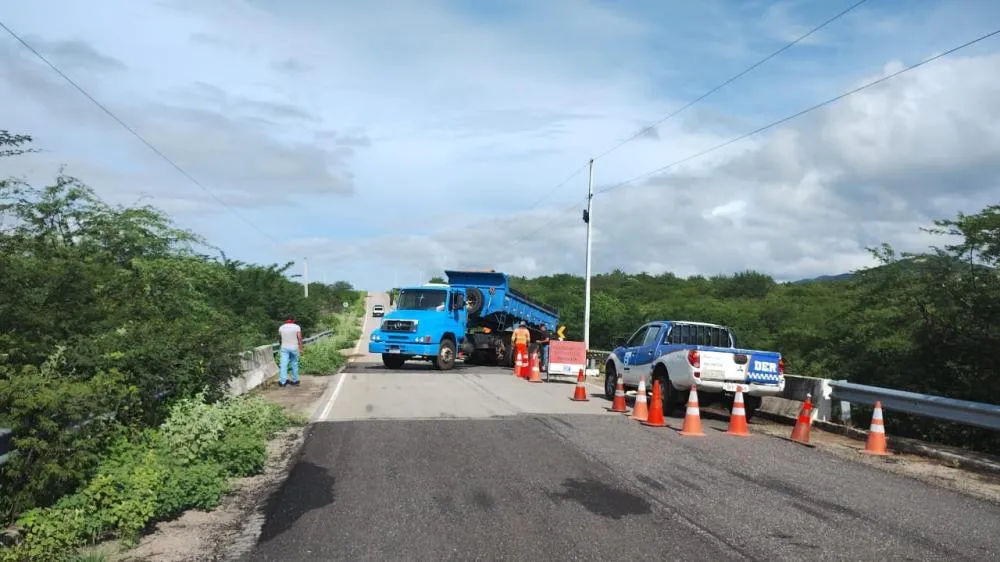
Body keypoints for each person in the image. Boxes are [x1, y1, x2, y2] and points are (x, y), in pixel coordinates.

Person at [278, 316, 303, 387]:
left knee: (283, 364)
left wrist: (281, 346)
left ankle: (283, 382)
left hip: (284, 348)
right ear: (293, 320)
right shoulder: (297, 327)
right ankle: (295, 380)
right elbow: (299, 338)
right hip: (294, 348)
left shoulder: (281, 327)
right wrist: (301, 348)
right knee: (294, 363)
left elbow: (280, 339)